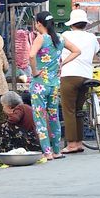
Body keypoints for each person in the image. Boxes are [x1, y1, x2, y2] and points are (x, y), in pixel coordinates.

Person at [31, 11, 80, 159]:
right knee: (54, 117)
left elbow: (31, 55)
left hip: (40, 84)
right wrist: (61, 63)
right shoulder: (60, 38)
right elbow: (77, 51)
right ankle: (57, 151)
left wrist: (34, 71)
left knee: (40, 118)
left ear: (39, 23)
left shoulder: (41, 38)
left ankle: (47, 152)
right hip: (54, 84)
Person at [60, 9, 98, 154]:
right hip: (86, 76)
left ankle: (71, 144)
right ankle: (79, 142)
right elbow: (95, 52)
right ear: (85, 24)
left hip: (69, 75)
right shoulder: (92, 37)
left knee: (68, 110)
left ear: (72, 24)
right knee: (78, 110)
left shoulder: (65, 35)